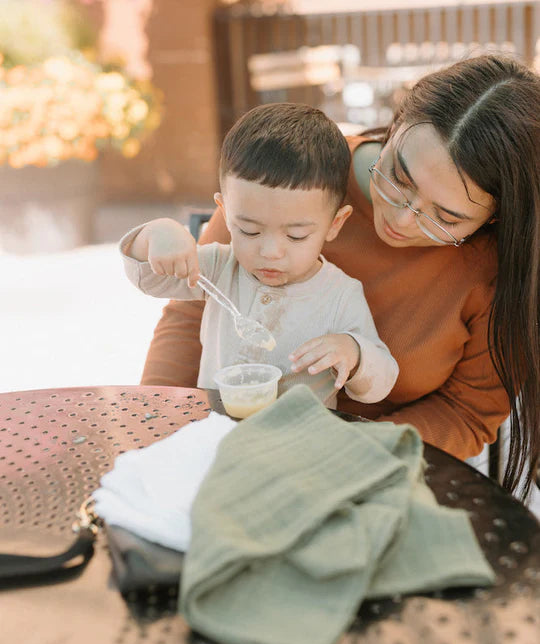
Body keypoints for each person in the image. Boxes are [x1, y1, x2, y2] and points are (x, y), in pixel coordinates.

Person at [140, 54, 540, 499]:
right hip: (222, 445)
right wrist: (162, 429)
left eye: (445, 217)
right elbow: (189, 316)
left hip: (378, 474)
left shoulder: (499, 270)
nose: (403, 220)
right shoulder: (299, 170)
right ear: (395, 126)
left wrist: (349, 453)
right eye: (398, 177)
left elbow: (465, 412)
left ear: (496, 218)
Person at [121, 103, 399, 409]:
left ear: (334, 224)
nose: (270, 253)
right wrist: (157, 234)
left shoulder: (340, 295)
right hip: (217, 431)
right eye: (249, 231)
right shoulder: (219, 268)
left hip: (300, 444)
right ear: (225, 213)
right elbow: (149, 280)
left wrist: (354, 354)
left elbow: (381, 383)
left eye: (296, 236)